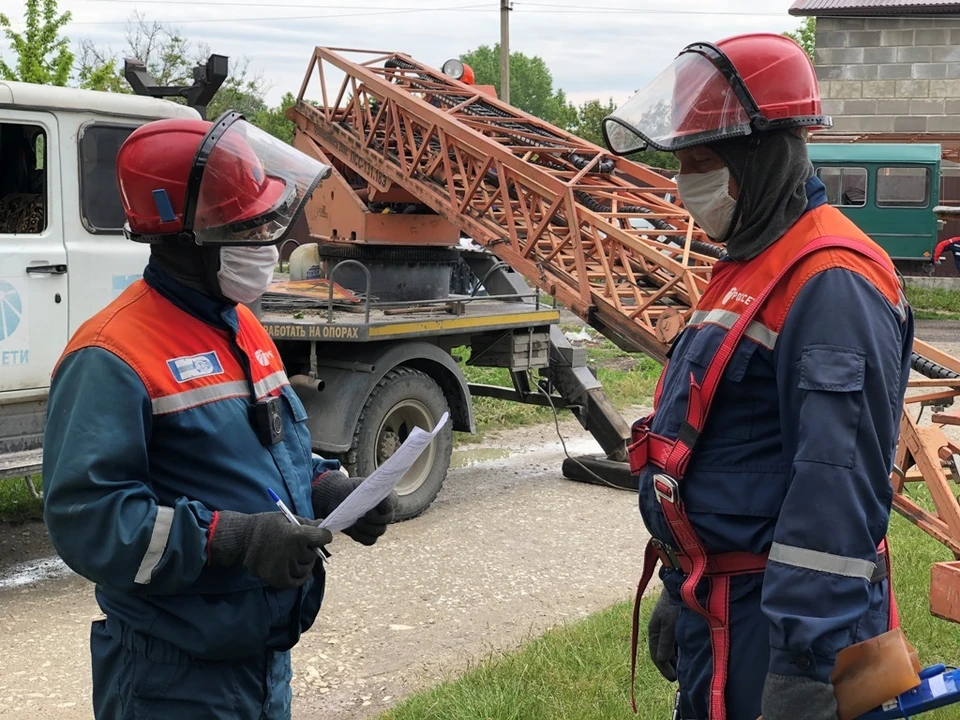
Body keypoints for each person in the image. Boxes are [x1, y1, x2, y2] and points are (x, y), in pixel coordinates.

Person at [41, 111, 398, 719]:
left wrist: (328, 487)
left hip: (261, 664)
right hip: (169, 678)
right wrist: (231, 539)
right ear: (181, 237)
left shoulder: (242, 324)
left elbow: (273, 448)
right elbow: (89, 521)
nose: (269, 243)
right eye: (248, 227)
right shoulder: (112, 354)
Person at [602, 34, 914, 720]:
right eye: (679, 161)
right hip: (721, 608)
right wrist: (679, 577)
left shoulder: (831, 281)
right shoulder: (750, 261)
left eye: (702, 161)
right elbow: (720, 442)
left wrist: (804, 672)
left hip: (778, 635)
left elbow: (834, 498)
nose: (686, 181)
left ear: (764, 150)